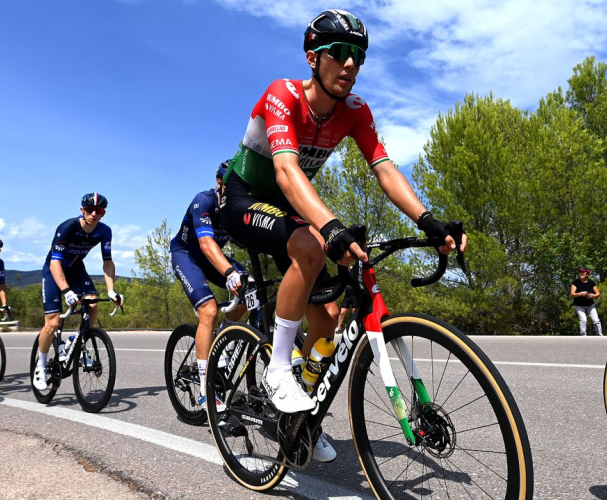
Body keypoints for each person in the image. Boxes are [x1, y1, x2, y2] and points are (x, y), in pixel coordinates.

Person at [219, 9, 466, 461]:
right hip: (244, 198)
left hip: (291, 207)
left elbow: (385, 171)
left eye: (358, 56)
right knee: (314, 245)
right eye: (339, 54)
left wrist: (428, 220)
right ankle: (276, 368)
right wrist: (329, 228)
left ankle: (298, 417)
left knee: (327, 319)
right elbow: (286, 171)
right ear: (313, 57)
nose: (350, 64)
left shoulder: (355, 112)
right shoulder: (284, 95)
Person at [170, 161, 247, 410]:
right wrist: (228, 272)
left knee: (251, 290)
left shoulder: (237, 207)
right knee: (209, 311)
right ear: (219, 183)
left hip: (210, 257)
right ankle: (205, 390)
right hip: (188, 255)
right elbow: (206, 244)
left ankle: (222, 339)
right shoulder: (204, 200)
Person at [32, 192, 123, 391]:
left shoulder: (104, 231)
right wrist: (66, 291)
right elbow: (55, 262)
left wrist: (111, 290)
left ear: (103, 213)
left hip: (75, 269)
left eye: (98, 211)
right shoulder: (67, 227)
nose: (93, 214)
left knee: (93, 302)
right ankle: (41, 365)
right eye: (89, 209)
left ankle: (77, 339)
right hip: (54, 270)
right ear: (82, 210)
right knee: (53, 322)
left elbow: (107, 262)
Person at [570, 266, 602, 336]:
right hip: (579, 306)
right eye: (580, 272)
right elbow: (572, 294)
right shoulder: (575, 282)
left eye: (582, 272)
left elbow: (598, 293)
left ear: (587, 274)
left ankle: (600, 335)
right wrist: (580, 294)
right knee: (583, 320)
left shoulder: (591, 283)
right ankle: (583, 336)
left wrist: (593, 296)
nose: (580, 273)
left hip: (590, 305)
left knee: (596, 321)